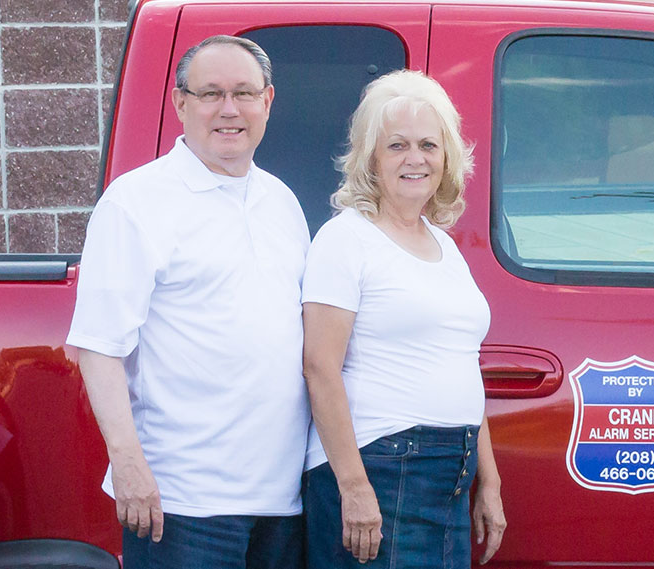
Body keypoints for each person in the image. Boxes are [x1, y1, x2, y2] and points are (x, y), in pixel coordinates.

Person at [65, 35, 310, 569]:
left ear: (268, 101)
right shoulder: (135, 203)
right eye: (210, 94)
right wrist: (128, 465)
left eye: (244, 93)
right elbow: (99, 348)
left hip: (282, 503)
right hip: (182, 505)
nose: (229, 109)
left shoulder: (283, 203)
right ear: (180, 103)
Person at [301, 69, 506, 568]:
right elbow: (319, 368)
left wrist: (490, 481)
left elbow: (461, 364)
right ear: (371, 158)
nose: (415, 159)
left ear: (447, 157)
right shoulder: (346, 238)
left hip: (447, 477)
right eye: (396, 145)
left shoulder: (443, 245)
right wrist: (354, 489)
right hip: (382, 470)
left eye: (428, 145)